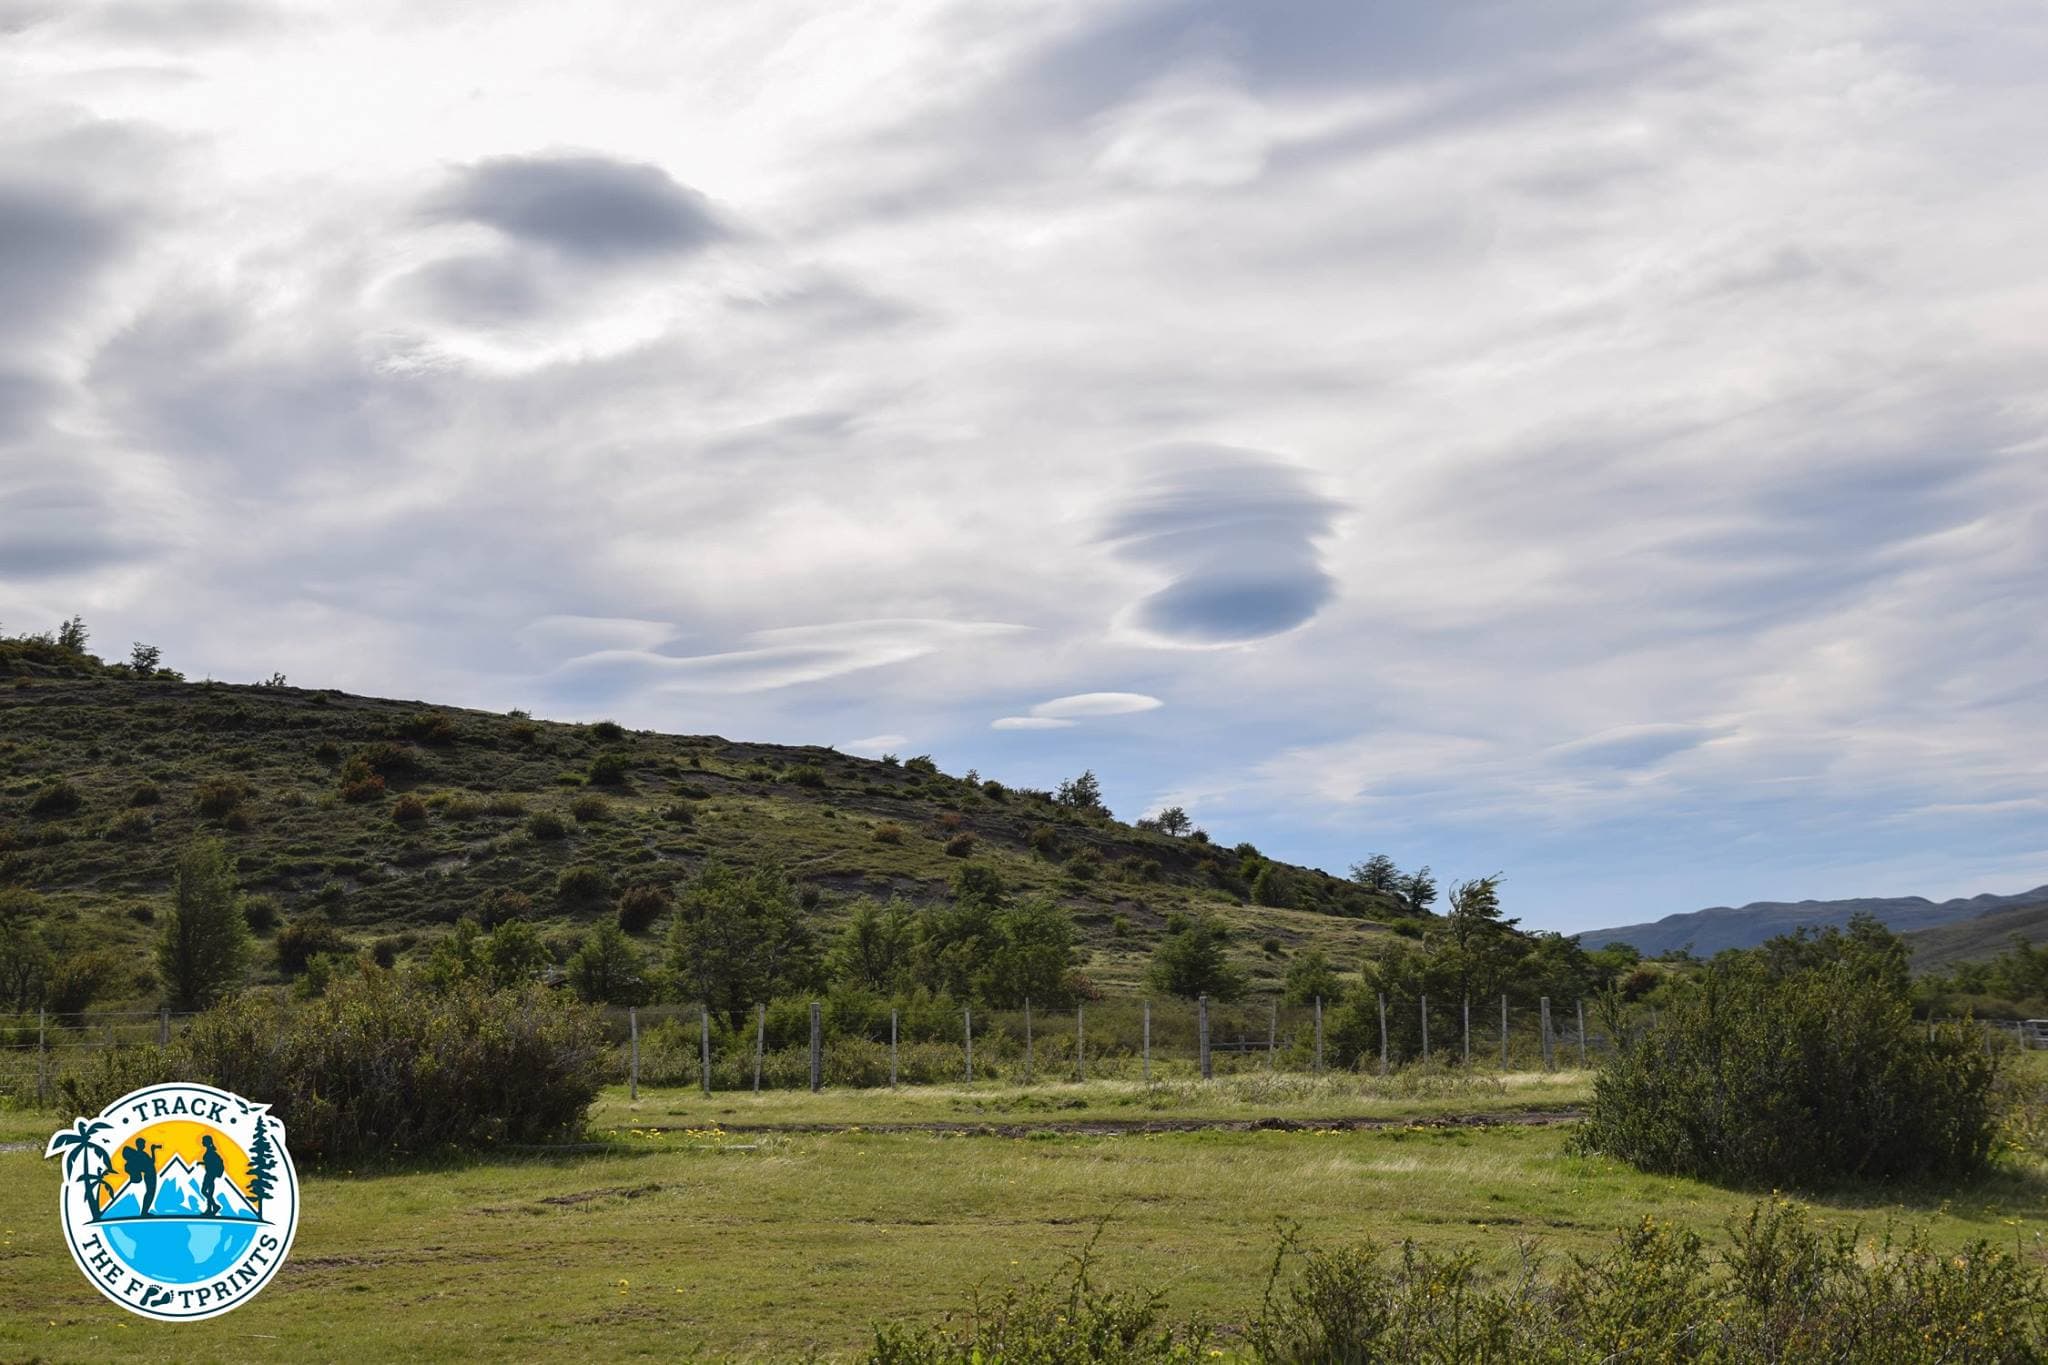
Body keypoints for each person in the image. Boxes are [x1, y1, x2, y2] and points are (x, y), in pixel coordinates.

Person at [120, 1137, 160, 1217]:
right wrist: (152, 1150)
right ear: (139, 1145)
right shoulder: (140, 1154)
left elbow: (151, 1162)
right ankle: (144, 1212)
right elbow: (150, 1163)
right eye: (142, 1144)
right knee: (150, 1193)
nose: (144, 1145)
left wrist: (152, 1150)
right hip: (150, 1175)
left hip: (150, 1174)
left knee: (150, 1193)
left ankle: (144, 1212)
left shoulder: (141, 1154)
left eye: (144, 1144)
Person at [199, 1135, 226, 1217]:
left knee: (204, 1191)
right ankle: (209, 1209)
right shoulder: (210, 1151)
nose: (202, 1142)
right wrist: (202, 1163)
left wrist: (204, 1164)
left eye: (203, 1140)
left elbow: (211, 1163)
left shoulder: (210, 1152)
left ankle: (215, 1206)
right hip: (211, 1174)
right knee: (209, 1193)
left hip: (210, 1174)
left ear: (207, 1142)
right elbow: (210, 1162)